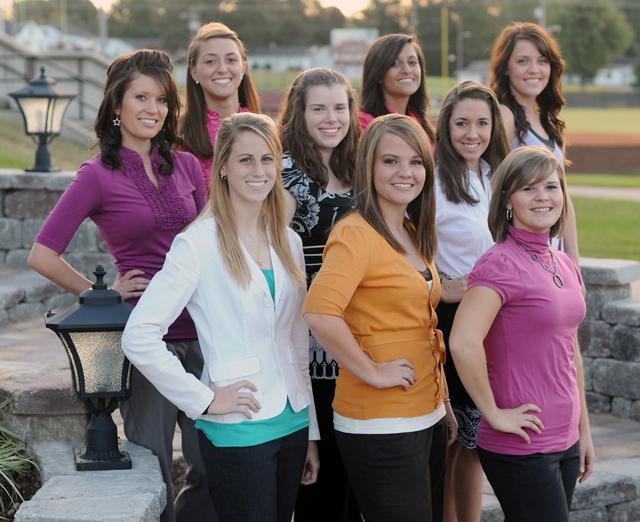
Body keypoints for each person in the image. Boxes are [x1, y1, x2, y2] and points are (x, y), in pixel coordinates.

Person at [27, 49, 213, 522]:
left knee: (211, 464)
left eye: (163, 100)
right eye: (141, 97)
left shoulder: (190, 166)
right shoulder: (97, 175)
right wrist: (99, 293)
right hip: (148, 336)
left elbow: (216, 238)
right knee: (151, 462)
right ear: (117, 105)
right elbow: (42, 254)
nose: (154, 109)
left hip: (207, 329)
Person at [122, 112, 320, 522]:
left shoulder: (290, 241)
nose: (258, 171)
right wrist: (203, 399)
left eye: (267, 159)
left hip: (293, 422)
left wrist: (312, 433)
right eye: (245, 160)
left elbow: (298, 340)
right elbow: (139, 336)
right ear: (224, 167)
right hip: (238, 426)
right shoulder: (197, 245)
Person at [304, 114, 456, 522]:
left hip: (426, 411)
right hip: (381, 421)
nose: (405, 172)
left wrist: (442, 401)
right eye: (390, 161)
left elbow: (419, 322)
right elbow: (320, 312)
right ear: (369, 167)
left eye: (416, 161)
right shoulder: (355, 233)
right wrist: (372, 371)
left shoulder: (410, 230)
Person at [449, 147, 595, 522]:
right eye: (529, 188)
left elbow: (570, 350)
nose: (543, 196)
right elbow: (463, 342)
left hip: (565, 436)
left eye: (551, 186)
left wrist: (584, 430)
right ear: (507, 201)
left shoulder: (561, 260)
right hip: (522, 442)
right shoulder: (498, 263)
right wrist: (493, 414)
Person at [278, 67, 361, 522]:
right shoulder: (288, 175)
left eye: (339, 107)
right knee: (321, 476)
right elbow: (271, 248)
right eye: (319, 109)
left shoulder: (358, 169)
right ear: (300, 113)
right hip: (313, 345)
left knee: (354, 475)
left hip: (360, 337)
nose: (332, 118)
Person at [433, 81, 510, 522]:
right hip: (453, 318)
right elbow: (409, 242)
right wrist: (441, 283)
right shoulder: (434, 178)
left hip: (498, 317)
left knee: (477, 443)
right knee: (454, 437)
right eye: (462, 123)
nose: (472, 133)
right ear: (446, 126)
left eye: (482, 123)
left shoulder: (497, 173)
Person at [490, 22, 580, 262]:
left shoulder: (550, 122)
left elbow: (564, 197)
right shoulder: (504, 116)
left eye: (542, 60)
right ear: (506, 68)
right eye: (523, 61)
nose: (534, 69)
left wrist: (574, 264)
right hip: (520, 253)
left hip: (551, 252)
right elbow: (493, 189)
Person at [180, 22, 260, 188]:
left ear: (243, 66)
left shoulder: (264, 129)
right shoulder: (177, 133)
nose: (222, 69)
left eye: (231, 60)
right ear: (194, 71)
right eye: (210, 61)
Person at [358, 33, 436, 145]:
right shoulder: (363, 124)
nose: (407, 70)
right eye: (395, 63)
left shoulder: (421, 122)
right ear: (378, 73)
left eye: (412, 62)